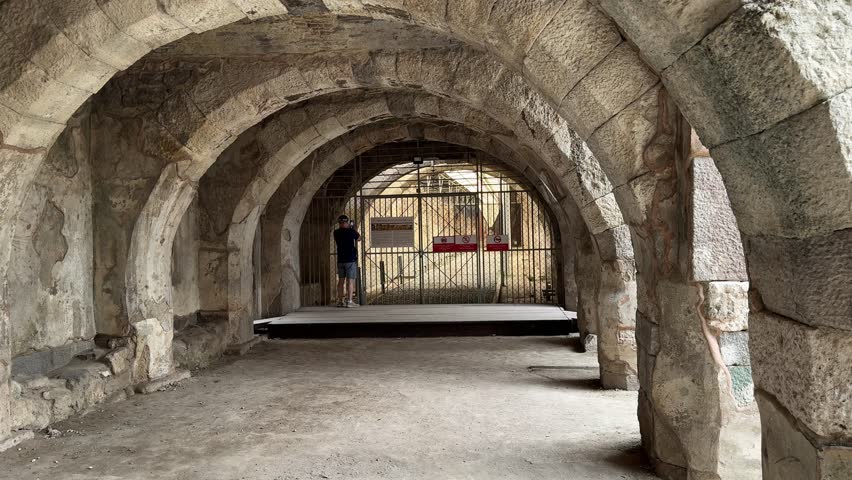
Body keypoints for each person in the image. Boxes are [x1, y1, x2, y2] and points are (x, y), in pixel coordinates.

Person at [333, 215, 360, 307]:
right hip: (350, 260)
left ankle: (340, 301)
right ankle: (349, 301)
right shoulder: (351, 231)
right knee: (350, 281)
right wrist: (352, 228)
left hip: (340, 260)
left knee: (341, 281)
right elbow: (359, 238)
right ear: (347, 222)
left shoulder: (336, 232)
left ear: (339, 223)